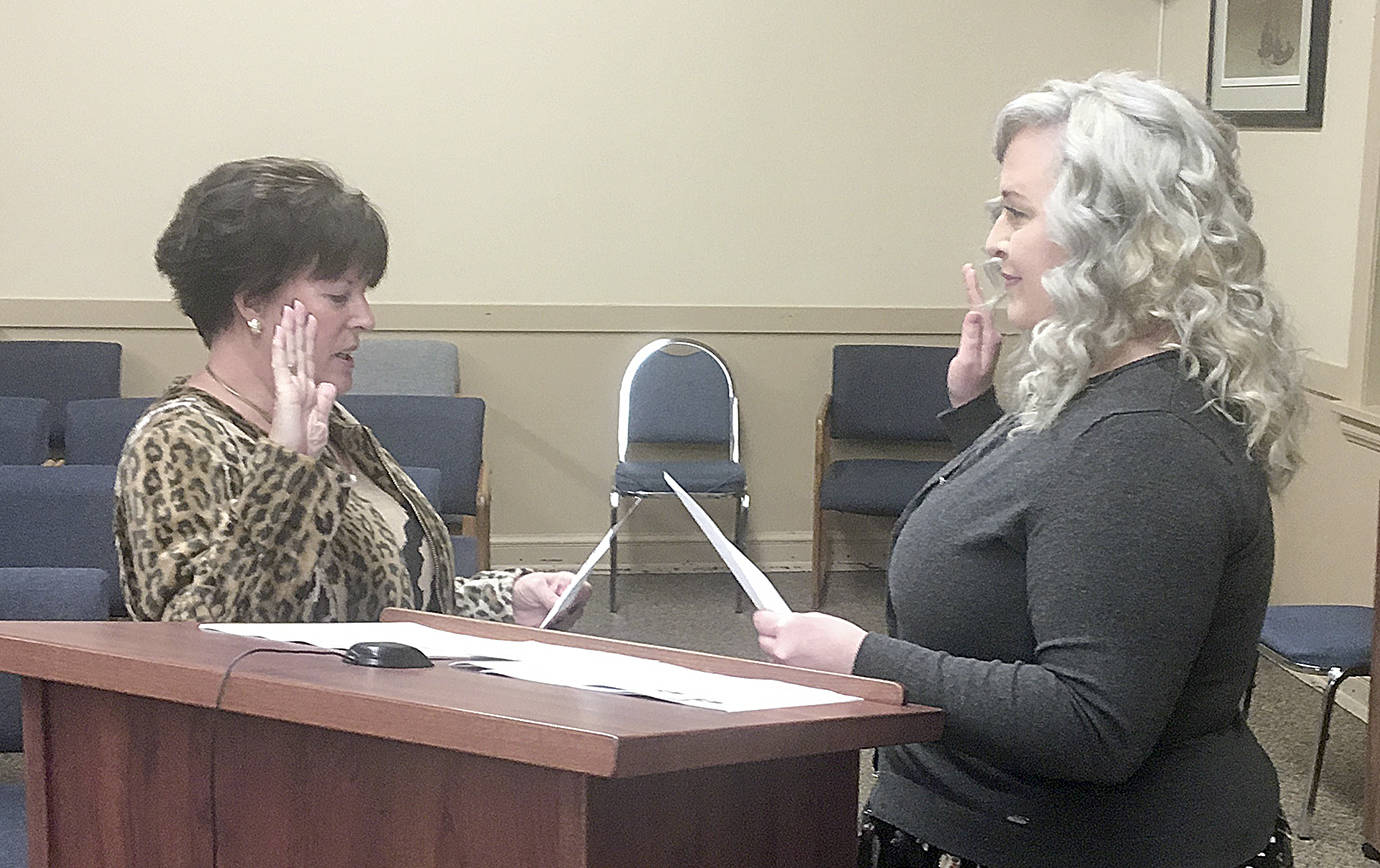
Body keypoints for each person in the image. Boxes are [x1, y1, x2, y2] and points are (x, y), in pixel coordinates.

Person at [755, 72, 1307, 868]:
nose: (994, 240)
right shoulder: (1109, 386)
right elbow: (1045, 533)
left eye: (1017, 213)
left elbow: (1093, 724)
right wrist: (975, 412)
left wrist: (859, 660)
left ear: (1116, 235)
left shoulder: (1144, 439)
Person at [117, 157, 590, 627]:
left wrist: (504, 601)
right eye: (339, 296)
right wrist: (286, 470)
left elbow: (368, 603)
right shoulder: (177, 441)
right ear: (251, 302)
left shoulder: (329, 422)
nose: (365, 318)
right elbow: (199, 640)